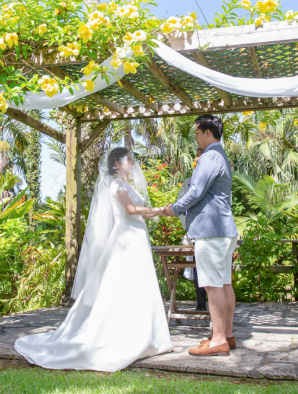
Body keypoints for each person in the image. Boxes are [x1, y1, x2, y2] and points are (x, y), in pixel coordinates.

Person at [14, 147, 172, 371]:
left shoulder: (127, 185)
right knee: (123, 284)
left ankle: (148, 335)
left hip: (137, 237)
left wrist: (162, 211)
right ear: (117, 164)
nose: (133, 163)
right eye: (129, 160)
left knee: (140, 285)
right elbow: (130, 209)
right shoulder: (116, 185)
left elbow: (142, 212)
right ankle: (123, 334)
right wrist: (159, 209)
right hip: (125, 238)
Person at [165, 114, 238, 357]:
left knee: (212, 285)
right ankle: (226, 334)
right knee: (224, 283)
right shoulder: (222, 156)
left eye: (197, 132)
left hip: (210, 231)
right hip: (224, 230)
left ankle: (218, 340)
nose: (195, 137)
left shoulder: (210, 156)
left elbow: (195, 191)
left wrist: (173, 208)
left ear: (208, 133)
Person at [177, 147, 208, 312]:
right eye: (196, 159)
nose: (197, 162)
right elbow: (181, 206)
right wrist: (189, 225)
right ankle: (200, 304)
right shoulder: (188, 182)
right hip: (193, 233)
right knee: (197, 269)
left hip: (210, 233)